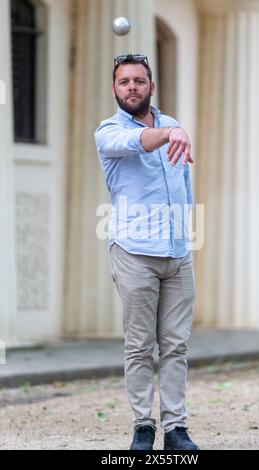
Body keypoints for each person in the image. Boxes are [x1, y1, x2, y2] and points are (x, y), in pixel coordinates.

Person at [94, 54, 199, 451]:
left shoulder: (172, 126)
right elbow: (136, 142)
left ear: (151, 86)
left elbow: (184, 183)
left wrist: (187, 233)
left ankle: (176, 428)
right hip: (134, 253)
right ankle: (143, 426)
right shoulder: (108, 131)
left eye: (139, 80)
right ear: (115, 89)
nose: (132, 87)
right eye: (124, 82)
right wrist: (173, 134)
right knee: (140, 346)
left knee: (176, 344)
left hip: (177, 253)